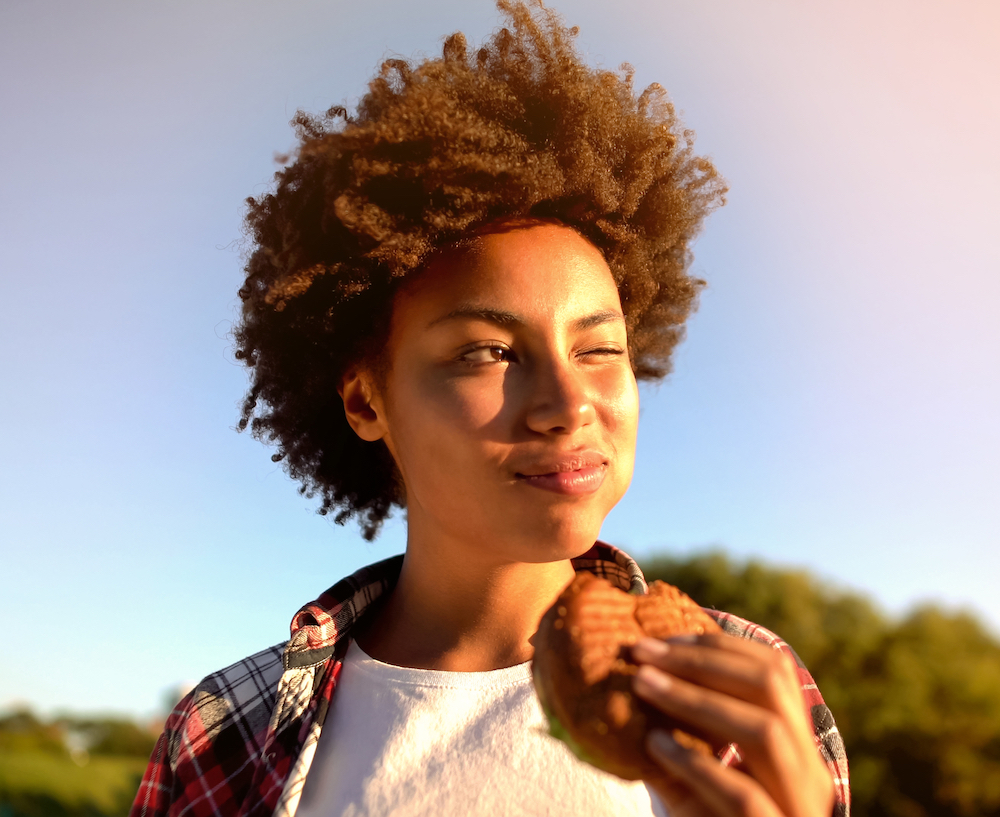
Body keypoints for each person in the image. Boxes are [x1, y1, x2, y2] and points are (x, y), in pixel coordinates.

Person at [130, 2, 849, 815]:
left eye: (599, 348)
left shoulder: (749, 687)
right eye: (487, 352)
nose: (568, 403)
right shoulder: (221, 732)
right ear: (368, 401)